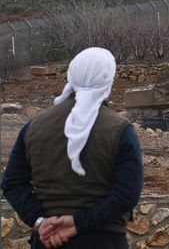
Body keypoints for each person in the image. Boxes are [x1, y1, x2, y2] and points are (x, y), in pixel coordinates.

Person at [1, 47, 144, 249]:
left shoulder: (33, 127)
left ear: (71, 75)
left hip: (48, 241)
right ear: (109, 79)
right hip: (103, 241)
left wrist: (40, 222)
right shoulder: (120, 130)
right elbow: (127, 195)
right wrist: (77, 224)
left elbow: (12, 183)